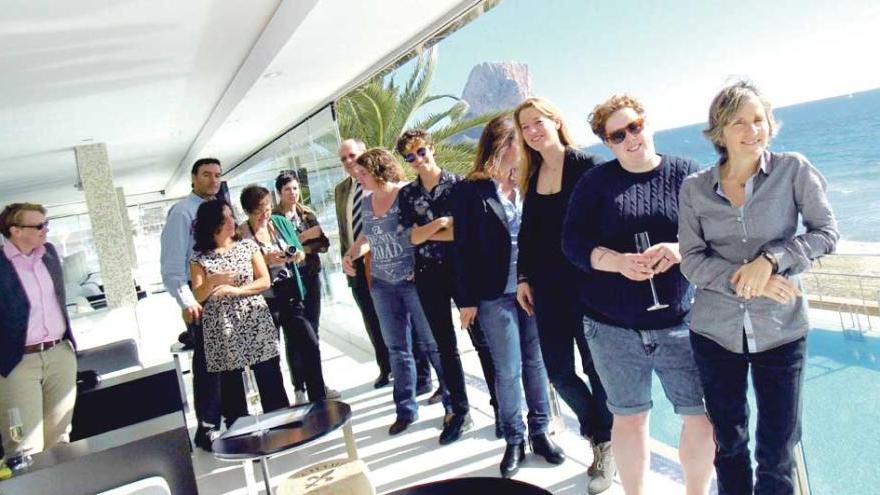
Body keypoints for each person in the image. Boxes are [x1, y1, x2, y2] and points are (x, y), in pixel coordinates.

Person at [679, 80, 838, 495]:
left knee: (778, 448)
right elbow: (692, 261)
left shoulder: (793, 170)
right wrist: (746, 282)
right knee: (729, 444)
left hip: (782, 332)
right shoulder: (694, 189)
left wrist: (770, 262)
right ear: (720, 132)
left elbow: (826, 233)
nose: (753, 130)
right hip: (714, 335)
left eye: (759, 119)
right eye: (739, 122)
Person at [563, 94, 715, 495]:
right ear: (607, 143)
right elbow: (572, 243)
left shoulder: (689, 175)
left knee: (701, 417)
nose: (631, 138)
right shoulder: (595, 184)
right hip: (612, 328)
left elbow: (717, 234)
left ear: (647, 123)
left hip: (681, 323)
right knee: (629, 419)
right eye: (617, 134)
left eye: (634, 126)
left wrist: (680, 250)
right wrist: (617, 262)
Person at [453, 115, 564, 478]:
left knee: (537, 365)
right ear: (503, 145)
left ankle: (540, 432)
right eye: (520, 141)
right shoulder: (471, 191)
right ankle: (514, 439)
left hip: (532, 290)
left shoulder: (531, 183)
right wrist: (465, 300)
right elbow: (462, 249)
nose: (528, 146)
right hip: (492, 295)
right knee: (507, 369)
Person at [513, 96, 615, 484]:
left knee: (595, 368)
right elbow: (527, 235)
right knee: (558, 372)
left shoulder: (587, 167)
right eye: (526, 127)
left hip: (588, 286)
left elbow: (609, 222)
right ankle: (599, 429)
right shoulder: (532, 173)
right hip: (547, 290)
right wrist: (523, 278)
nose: (533, 131)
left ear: (556, 120)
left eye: (538, 122)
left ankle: (605, 443)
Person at [396, 129, 499, 445]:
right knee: (444, 345)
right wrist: (441, 224)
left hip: (462, 271)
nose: (418, 160)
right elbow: (408, 237)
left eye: (421, 152)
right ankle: (461, 411)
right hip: (428, 274)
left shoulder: (460, 186)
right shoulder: (407, 194)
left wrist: (427, 231)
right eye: (410, 157)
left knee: (481, 340)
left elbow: (465, 235)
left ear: (432, 148)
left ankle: (501, 408)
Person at [342, 148, 446, 436]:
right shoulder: (366, 199)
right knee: (397, 349)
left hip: (412, 281)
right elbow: (369, 236)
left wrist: (420, 264)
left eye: (362, 173)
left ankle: (453, 405)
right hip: (382, 284)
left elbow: (424, 230)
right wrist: (351, 254)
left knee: (432, 343)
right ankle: (405, 410)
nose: (357, 176)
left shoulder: (405, 193)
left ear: (377, 170)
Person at [190, 199, 289, 427]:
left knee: (269, 375)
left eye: (231, 217)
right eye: (226, 219)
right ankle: (240, 431)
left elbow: (264, 280)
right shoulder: (199, 258)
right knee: (230, 384)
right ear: (214, 224)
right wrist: (213, 280)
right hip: (221, 326)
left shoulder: (247, 247)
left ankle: (281, 425)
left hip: (253, 317)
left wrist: (236, 291)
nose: (232, 222)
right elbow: (199, 295)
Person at [238, 185, 330, 404]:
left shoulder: (279, 223)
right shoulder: (241, 234)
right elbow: (240, 270)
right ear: (249, 211)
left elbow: (298, 252)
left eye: (268, 207)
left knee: (309, 342)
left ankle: (319, 398)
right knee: (269, 357)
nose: (265, 214)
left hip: (289, 293)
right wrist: (264, 261)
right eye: (259, 210)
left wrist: (294, 255)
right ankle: (278, 409)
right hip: (262, 299)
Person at [0, 203, 77, 457]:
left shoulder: (50, 254)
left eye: (46, 224)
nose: (45, 230)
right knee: (24, 446)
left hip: (59, 354)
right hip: (17, 361)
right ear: (16, 231)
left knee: (60, 438)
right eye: (38, 225)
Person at [159, 157, 223, 450]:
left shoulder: (220, 209)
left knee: (228, 363)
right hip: (200, 299)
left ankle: (234, 419)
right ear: (193, 178)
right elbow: (172, 268)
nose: (213, 180)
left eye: (217, 175)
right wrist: (187, 302)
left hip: (226, 297)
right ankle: (207, 427)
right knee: (208, 365)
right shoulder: (182, 213)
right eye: (206, 175)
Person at [273, 173, 340, 403]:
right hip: (289, 282)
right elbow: (279, 249)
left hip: (311, 276)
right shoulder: (274, 218)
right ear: (279, 192)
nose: (293, 193)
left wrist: (303, 247)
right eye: (287, 189)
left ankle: (317, 384)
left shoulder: (307, 213)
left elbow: (323, 243)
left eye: (295, 188)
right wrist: (303, 238)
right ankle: (299, 387)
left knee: (313, 331)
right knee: (294, 334)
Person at [335, 139, 392, 388]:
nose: (349, 161)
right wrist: (346, 258)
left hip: (383, 261)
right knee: (371, 318)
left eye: (352, 155)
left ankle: (415, 370)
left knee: (394, 317)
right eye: (344, 158)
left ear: (364, 151)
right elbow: (344, 229)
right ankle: (385, 367)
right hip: (356, 266)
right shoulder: (341, 190)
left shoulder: (377, 183)